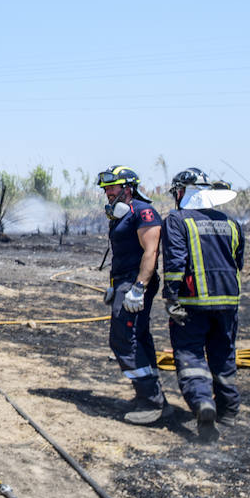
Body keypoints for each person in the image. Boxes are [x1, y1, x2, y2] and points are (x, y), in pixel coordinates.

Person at [160, 168, 244, 443]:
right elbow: (238, 261)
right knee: (223, 354)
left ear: (182, 192)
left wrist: (171, 296)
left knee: (190, 355)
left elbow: (174, 263)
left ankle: (202, 403)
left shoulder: (177, 220)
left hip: (192, 302)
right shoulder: (231, 222)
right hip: (228, 301)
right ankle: (229, 411)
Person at [97, 165, 171, 424]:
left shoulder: (144, 212)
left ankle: (150, 401)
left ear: (128, 188)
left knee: (124, 339)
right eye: (106, 188)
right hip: (124, 283)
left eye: (112, 187)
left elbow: (151, 253)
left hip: (135, 284)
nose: (107, 192)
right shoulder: (123, 214)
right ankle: (154, 396)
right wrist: (114, 287)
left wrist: (138, 288)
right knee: (138, 337)